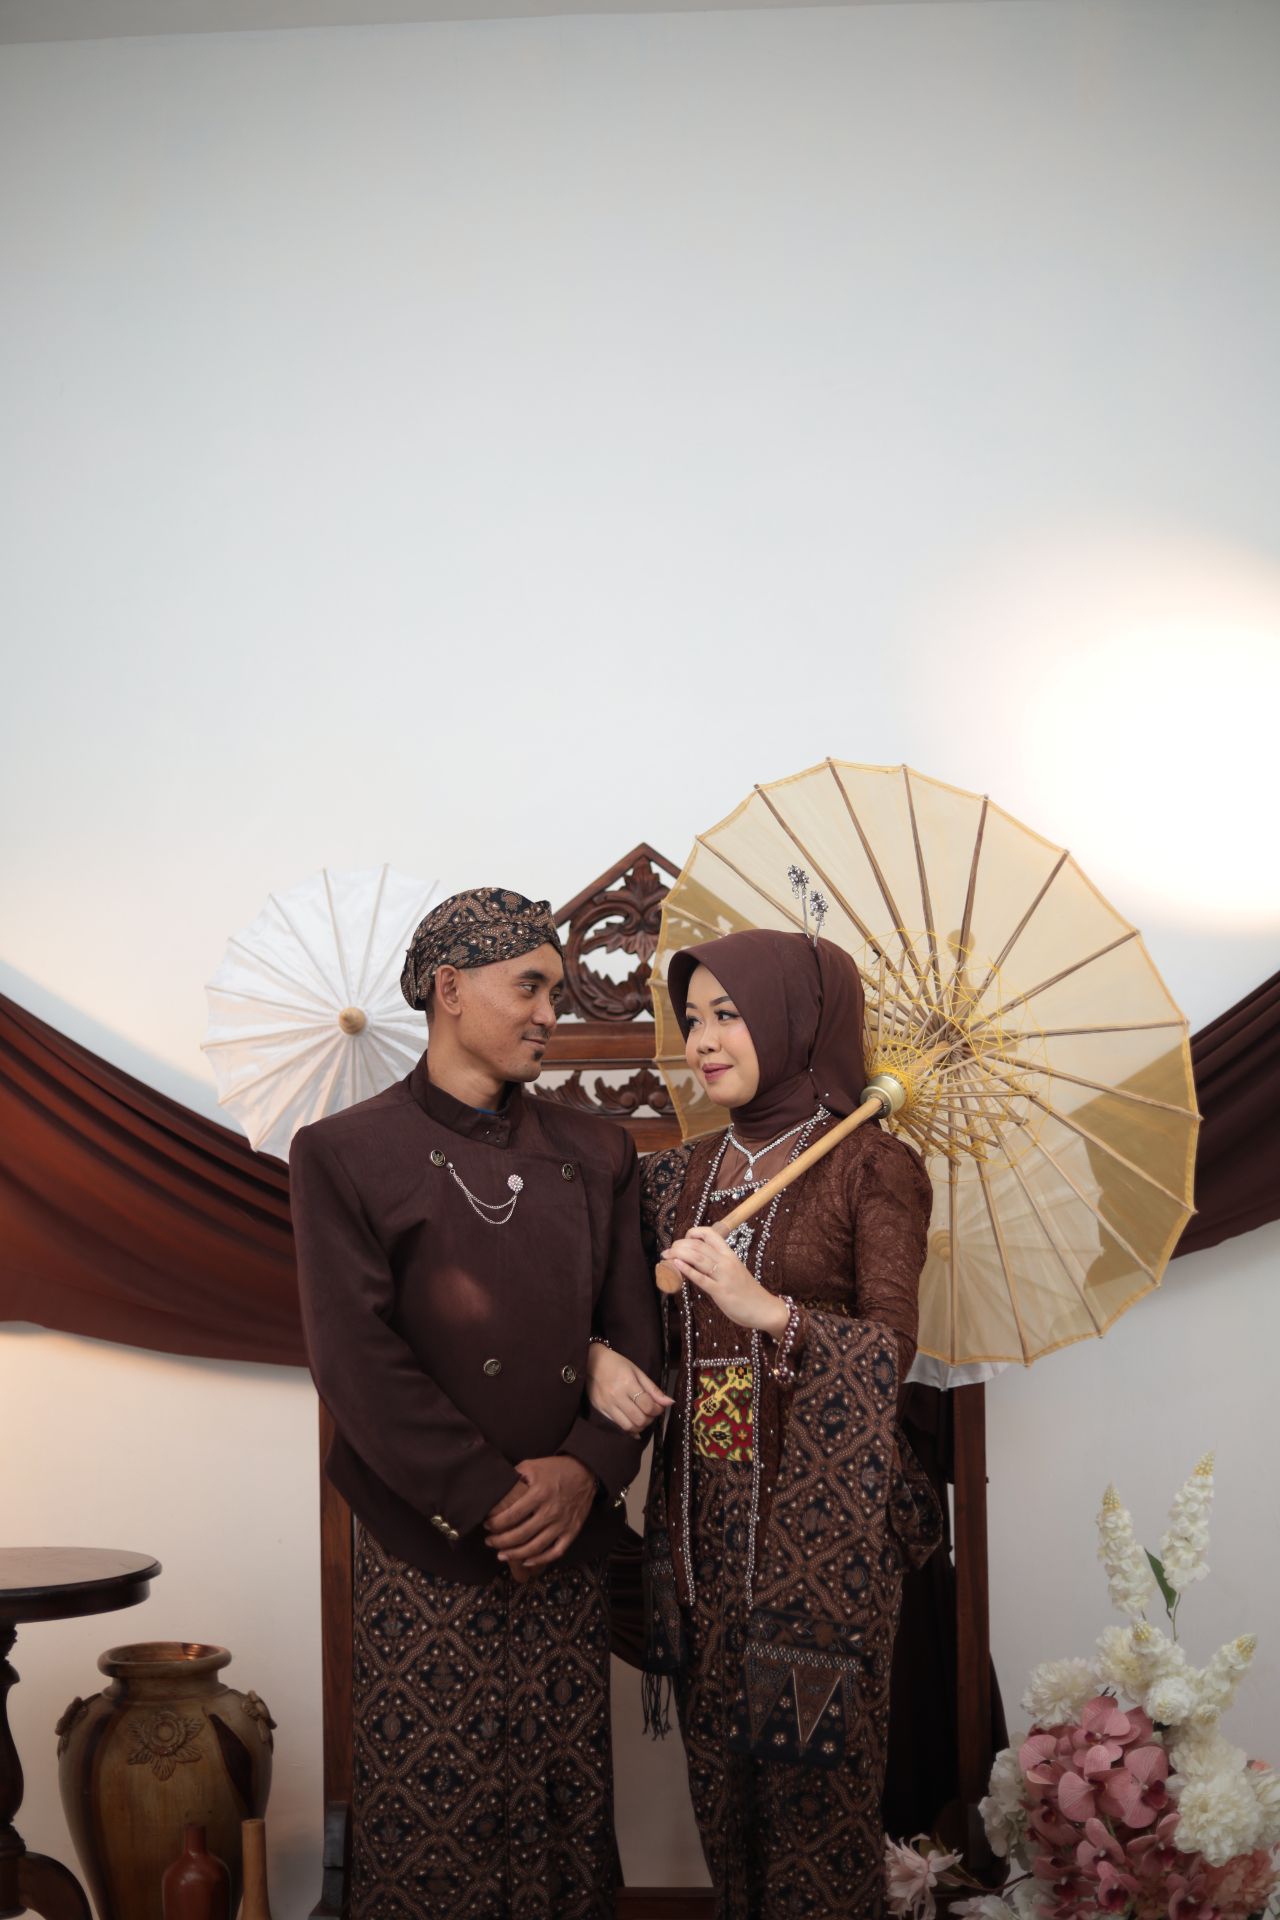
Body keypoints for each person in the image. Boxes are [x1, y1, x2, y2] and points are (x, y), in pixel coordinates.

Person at [290, 886, 660, 1920]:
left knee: (561, 1816)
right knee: (436, 1824)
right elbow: (355, 1358)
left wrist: (583, 1471)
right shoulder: (343, 1152)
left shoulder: (597, 1153)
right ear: (449, 989)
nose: (550, 1014)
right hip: (425, 1542)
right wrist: (491, 1498)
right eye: (529, 987)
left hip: (566, 1543)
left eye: (558, 993)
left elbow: (636, 1339)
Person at [588, 928, 942, 1920]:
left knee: (815, 1814)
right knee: (722, 1807)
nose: (701, 1040)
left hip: (823, 1542)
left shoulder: (872, 1166)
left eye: (729, 1015)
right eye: (692, 1017)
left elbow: (892, 1351)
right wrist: (600, 1353)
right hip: (698, 1536)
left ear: (797, 1020)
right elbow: (615, 1317)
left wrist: (767, 1311)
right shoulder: (675, 1178)